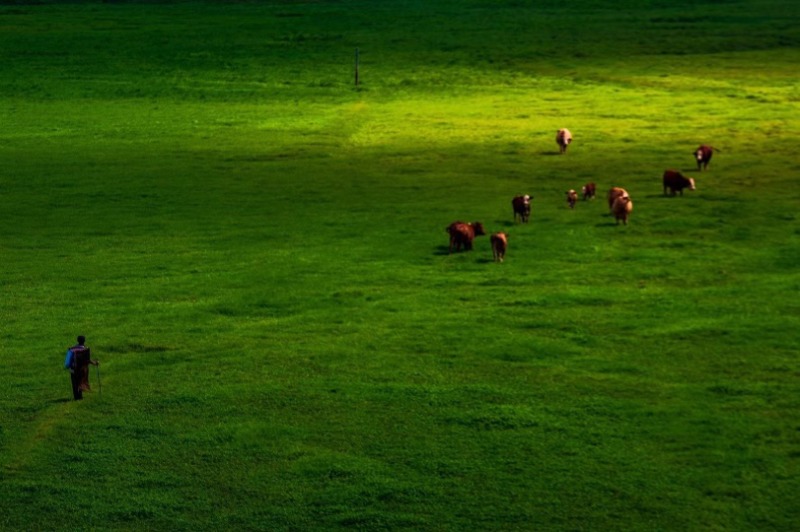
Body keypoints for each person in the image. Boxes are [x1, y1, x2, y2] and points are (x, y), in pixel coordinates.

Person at [64, 335, 98, 400]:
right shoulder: (86, 349)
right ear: (84, 341)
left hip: (73, 369)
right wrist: (95, 363)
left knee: (74, 382)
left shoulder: (72, 349)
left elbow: (68, 360)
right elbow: (87, 360)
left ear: (77, 340)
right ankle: (80, 396)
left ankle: (76, 396)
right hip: (82, 369)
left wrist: (68, 366)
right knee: (80, 381)